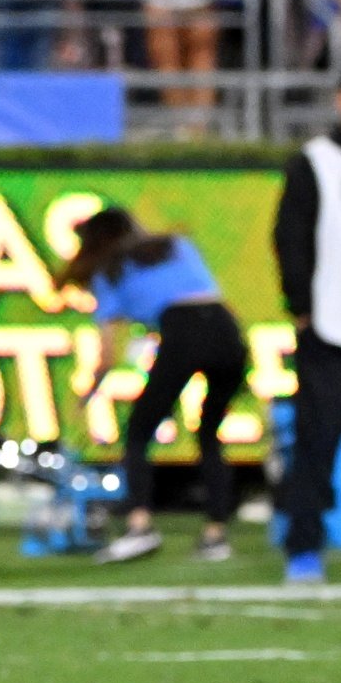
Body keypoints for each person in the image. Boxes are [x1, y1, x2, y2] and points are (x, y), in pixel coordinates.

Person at [61, 209, 247, 566]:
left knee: (138, 433)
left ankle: (140, 526)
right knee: (209, 434)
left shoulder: (109, 270)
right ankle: (216, 534)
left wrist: (91, 388)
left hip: (182, 331)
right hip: (226, 330)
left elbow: (107, 353)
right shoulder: (177, 245)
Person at [270, 65, 341, 586]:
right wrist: (301, 306)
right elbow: (290, 236)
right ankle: (304, 548)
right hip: (333, 325)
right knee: (315, 443)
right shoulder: (315, 163)